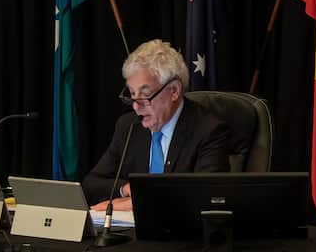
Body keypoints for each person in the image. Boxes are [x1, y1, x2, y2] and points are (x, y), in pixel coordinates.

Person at [82, 39, 230, 210]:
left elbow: (207, 196)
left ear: (174, 91)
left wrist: (136, 203)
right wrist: (125, 189)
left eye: (145, 94)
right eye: (131, 94)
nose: (136, 105)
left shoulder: (208, 130)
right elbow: (91, 185)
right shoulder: (129, 126)